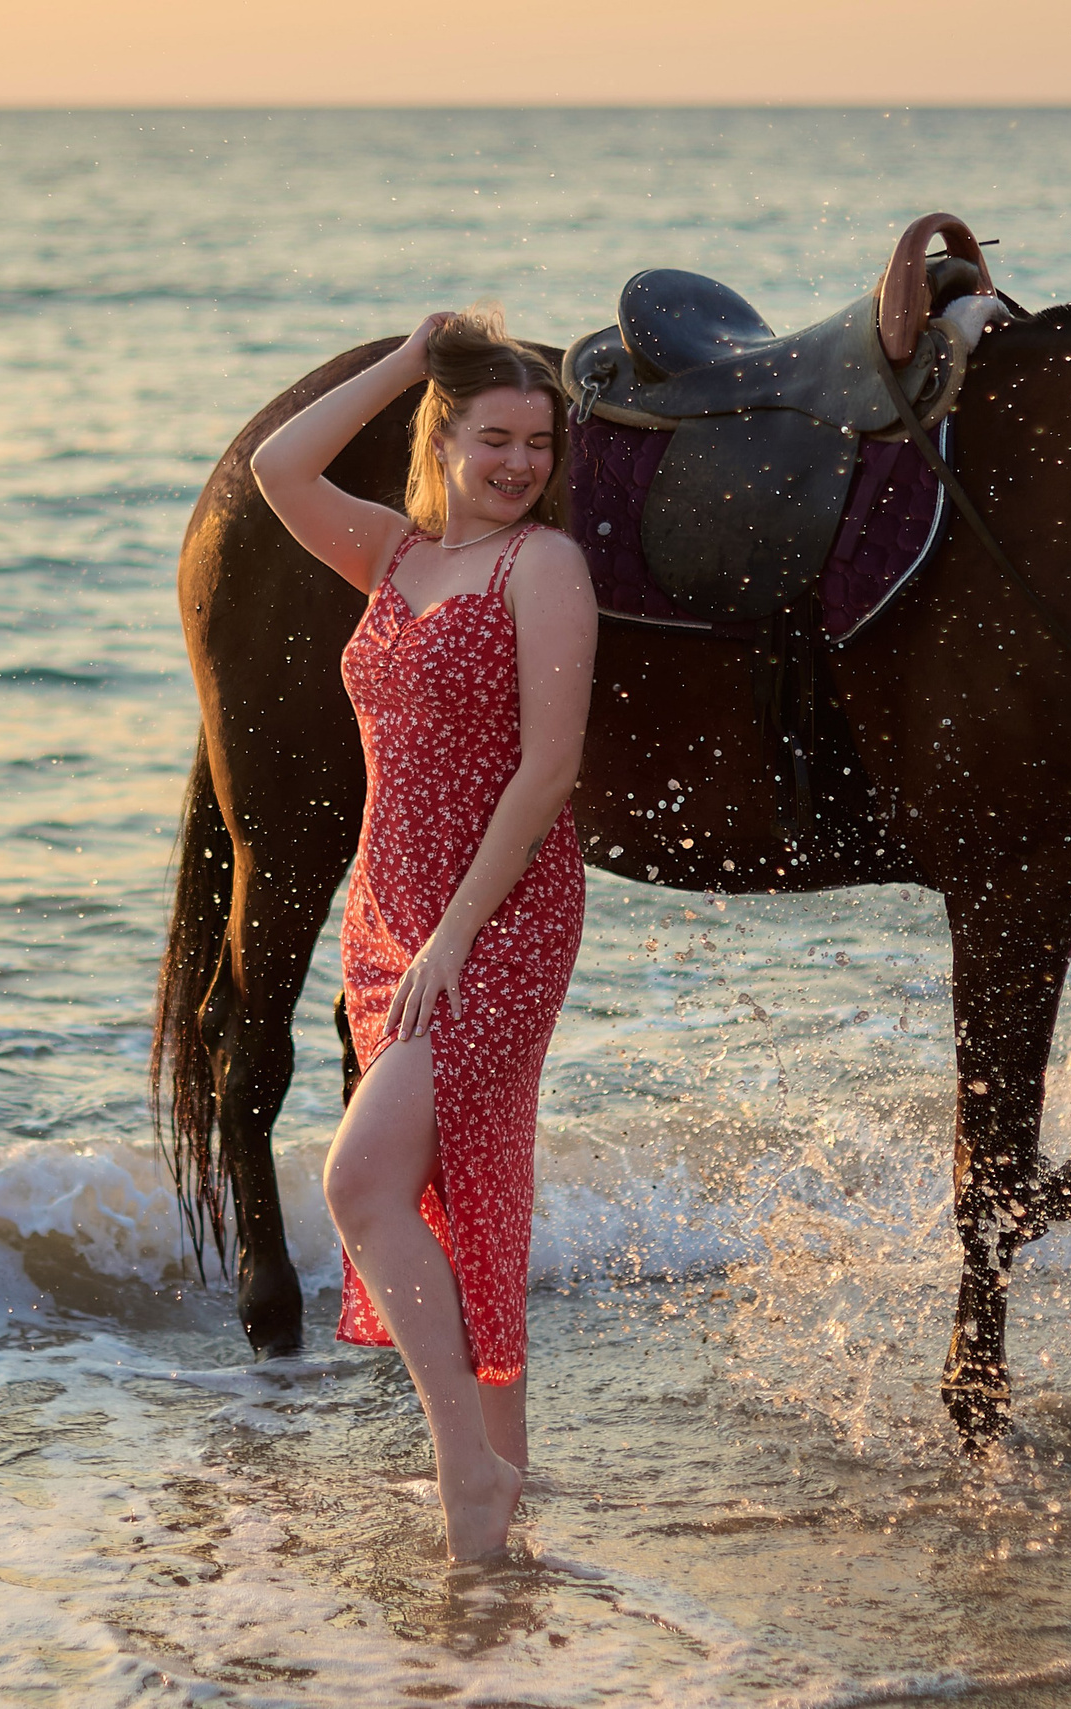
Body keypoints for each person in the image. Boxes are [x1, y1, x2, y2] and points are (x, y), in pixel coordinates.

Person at [249, 308, 595, 1562]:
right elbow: (276, 470)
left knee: (357, 1180)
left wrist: (457, 931)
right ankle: (504, 1469)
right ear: (440, 439)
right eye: (494, 437)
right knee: (457, 1189)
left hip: (497, 913)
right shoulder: (394, 556)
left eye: (539, 444)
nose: (518, 464)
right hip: (388, 912)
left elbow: (548, 771)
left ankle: (468, 1473)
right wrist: (408, 357)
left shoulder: (541, 567)